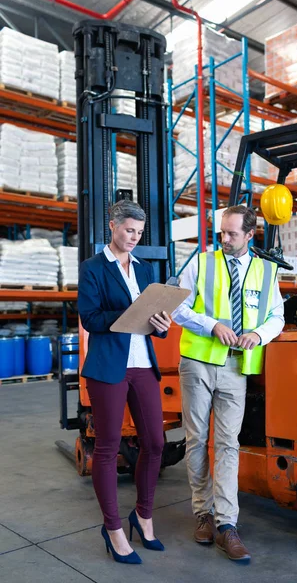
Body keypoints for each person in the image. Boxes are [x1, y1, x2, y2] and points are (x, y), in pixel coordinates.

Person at [172, 204, 284, 563]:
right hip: (198, 363)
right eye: (222, 231)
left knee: (228, 444)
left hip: (236, 367)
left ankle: (227, 524)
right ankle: (202, 513)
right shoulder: (202, 263)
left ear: (250, 235)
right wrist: (211, 325)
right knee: (197, 439)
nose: (225, 238)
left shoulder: (267, 272)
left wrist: (258, 333)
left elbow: (276, 316)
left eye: (233, 233)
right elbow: (178, 309)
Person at [78, 200, 172, 565]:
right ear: (113, 225)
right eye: (128, 230)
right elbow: (90, 317)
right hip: (109, 367)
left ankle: (143, 516)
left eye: (138, 233)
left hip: (142, 364)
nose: (133, 237)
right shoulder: (93, 268)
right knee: (108, 446)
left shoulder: (145, 270)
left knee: (154, 442)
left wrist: (160, 325)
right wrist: (131, 314)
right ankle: (114, 528)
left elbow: (153, 322)